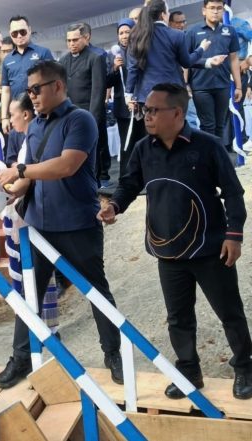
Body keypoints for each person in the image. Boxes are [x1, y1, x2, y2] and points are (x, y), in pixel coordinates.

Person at [99, 83, 251, 400]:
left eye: (154, 110)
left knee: (230, 312)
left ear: (177, 113)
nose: (147, 116)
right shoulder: (143, 149)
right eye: (145, 110)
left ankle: (246, 368)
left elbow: (234, 195)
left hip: (211, 250)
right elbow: (129, 184)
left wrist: (233, 236)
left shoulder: (208, 147)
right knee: (178, 317)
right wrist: (115, 206)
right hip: (168, 253)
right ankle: (189, 371)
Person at [0, 60, 122, 388]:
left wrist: (19, 172)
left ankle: (114, 354)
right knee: (28, 295)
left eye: (37, 89)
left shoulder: (81, 120)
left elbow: (65, 166)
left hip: (77, 224)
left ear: (59, 86)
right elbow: (31, 174)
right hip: (38, 226)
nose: (32, 96)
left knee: (96, 291)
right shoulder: (35, 126)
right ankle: (20, 358)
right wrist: (5, 192)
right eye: (29, 90)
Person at [2, 94, 61, 335]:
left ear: (25, 114)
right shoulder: (27, 138)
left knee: (36, 270)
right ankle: (35, 322)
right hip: (29, 211)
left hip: (32, 214)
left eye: (12, 115)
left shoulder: (33, 140)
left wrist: (5, 187)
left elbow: (23, 182)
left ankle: (43, 325)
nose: (9, 121)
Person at [126, 0, 218, 110]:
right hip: (172, 94)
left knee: (152, 126)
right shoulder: (177, 35)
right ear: (162, 14)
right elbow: (186, 62)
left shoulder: (135, 36)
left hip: (147, 96)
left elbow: (133, 68)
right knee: (174, 126)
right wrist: (201, 49)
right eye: (168, 11)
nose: (169, 14)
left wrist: (128, 94)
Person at [59, 23, 109, 186]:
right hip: (71, 113)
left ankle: (97, 181)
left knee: (94, 150)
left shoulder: (96, 57)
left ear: (86, 38)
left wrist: (92, 119)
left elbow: (98, 90)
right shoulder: (64, 59)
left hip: (91, 112)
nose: (71, 44)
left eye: (75, 39)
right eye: (68, 40)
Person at [186, 0, 244, 139]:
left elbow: (234, 59)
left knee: (220, 125)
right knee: (207, 125)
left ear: (223, 10)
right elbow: (185, 60)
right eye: (212, 8)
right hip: (200, 87)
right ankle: (209, 159)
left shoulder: (230, 31)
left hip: (223, 85)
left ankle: (217, 158)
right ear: (204, 10)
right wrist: (185, 84)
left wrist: (239, 86)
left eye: (219, 8)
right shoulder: (192, 31)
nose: (215, 11)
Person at [107, 18, 146, 181]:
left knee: (144, 141)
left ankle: (146, 176)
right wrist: (115, 68)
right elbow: (107, 82)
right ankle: (127, 179)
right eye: (121, 33)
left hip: (142, 104)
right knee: (127, 144)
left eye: (127, 32)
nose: (124, 36)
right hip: (124, 108)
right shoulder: (112, 55)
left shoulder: (142, 50)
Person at [0, 15, 55, 132]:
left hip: (41, 112)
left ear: (29, 30)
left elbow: (53, 84)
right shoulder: (7, 60)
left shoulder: (43, 53)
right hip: (17, 115)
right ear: (10, 34)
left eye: (23, 31)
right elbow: (5, 90)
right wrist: (4, 117)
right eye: (15, 33)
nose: (19, 35)